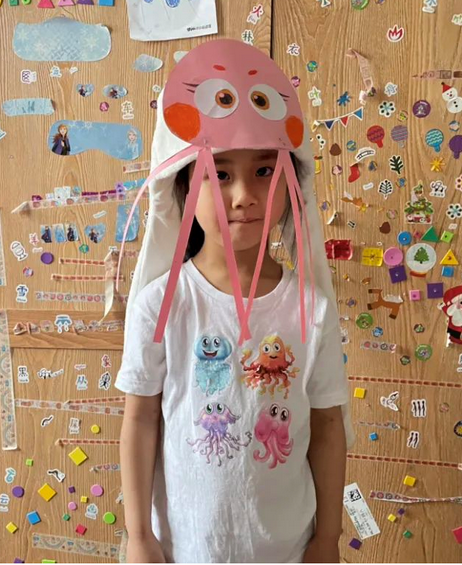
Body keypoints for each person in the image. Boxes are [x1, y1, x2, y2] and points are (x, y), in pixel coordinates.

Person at [114, 39, 354, 563]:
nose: (244, 194)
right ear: (184, 187)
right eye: (219, 174)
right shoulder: (162, 304)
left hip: (288, 549)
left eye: (265, 171)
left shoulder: (310, 310)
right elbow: (140, 419)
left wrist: (328, 538)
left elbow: (328, 426)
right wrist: (138, 536)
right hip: (186, 548)